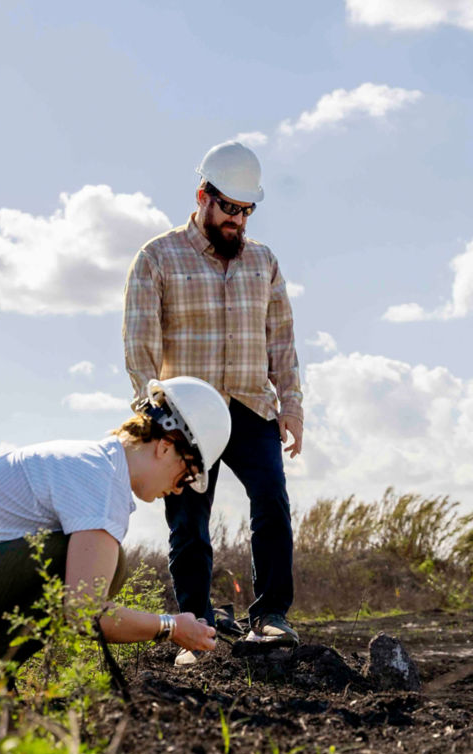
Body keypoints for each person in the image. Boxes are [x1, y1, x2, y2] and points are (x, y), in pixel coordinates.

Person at [0, 377, 231, 665]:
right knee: (73, 562)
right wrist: (171, 627)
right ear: (166, 446)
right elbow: (85, 613)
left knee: (106, 563)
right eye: (188, 473)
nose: (182, 489)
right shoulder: (100, 479)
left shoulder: (93, 465)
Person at [122, 141, 303, 665]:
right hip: (186, 416)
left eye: (246, 211)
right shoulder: (158, 257)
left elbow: (282, 340)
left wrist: (291, 405)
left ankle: (270, 617)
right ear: (203, 195)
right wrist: (151, 415)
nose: (237, 220)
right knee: (189, 524)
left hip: (251, 407)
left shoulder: (263, 262)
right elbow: (140, 345)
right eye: (229, 208)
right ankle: (194, 633)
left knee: (272, 503)